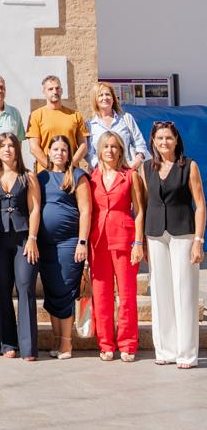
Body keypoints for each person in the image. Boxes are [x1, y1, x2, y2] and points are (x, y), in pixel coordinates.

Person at [143, 121, 205, 369]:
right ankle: (165, 350)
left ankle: (186, 353)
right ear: (153, 141)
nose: (164, 142)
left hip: (183, 233)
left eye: (168, 137)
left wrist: (198, 240)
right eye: (159, 138)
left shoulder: (189, 166)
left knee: (184, 291)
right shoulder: (146, 168)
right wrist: (141, 241)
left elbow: (200, 205)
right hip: (155, 234)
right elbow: (144, 204)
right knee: (161, 293)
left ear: (176, 140)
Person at [87, 131, 145, 362]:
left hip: (124, 239)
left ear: (121, 150)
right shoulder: (92, 177)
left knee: (127, 294)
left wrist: (138, 242)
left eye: (114, 146)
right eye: (106, 146)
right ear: (99, 151)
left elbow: (139, 211)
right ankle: (106, 343)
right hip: (98, 240)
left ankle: (128, 343)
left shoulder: (130, 176)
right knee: (101, 294)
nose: (110, 150)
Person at [0, 133, 41, 360]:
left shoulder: (28, 176)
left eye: (11, 145)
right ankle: (7, 342)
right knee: (2, 289)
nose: (7, 149)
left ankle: (28, 347)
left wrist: (33, 238)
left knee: (25, 286)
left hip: (23, 240)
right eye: (3, 146)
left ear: (17, 149)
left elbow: (35, 209)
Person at [36, 135, 90, 360]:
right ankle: (56, 340)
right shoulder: (41, 177)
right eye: (55, 149)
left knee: (65, 291)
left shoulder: (77, 176)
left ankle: (67, 343)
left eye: (64, 150)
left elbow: (86, 210)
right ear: (48, 152)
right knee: (51, 292)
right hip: (46, 246)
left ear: (69, 154)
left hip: (69, 243)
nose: (59, 153)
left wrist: (82, 242)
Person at [27, 75, 88, 168]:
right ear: (44, 92)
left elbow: (83, 146)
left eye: (57, 88)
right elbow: (34, 148)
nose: (55, 92)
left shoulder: (75, 115)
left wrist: (70, 166)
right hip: (46, 172)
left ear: (61, 90)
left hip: (71, 171)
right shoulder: (36, 116)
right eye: (50, 89)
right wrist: (51, 168)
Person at [85, 82, 149, 170]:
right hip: (101, 173)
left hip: (126, 171)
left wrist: (138, 160)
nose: (105, 98)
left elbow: (139, 142)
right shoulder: (89, 125)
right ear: (95, 100)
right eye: (100, 95)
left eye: (108, 94)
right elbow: (89, 153)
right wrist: (99, 167)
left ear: (113, 98)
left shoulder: (126, 118)